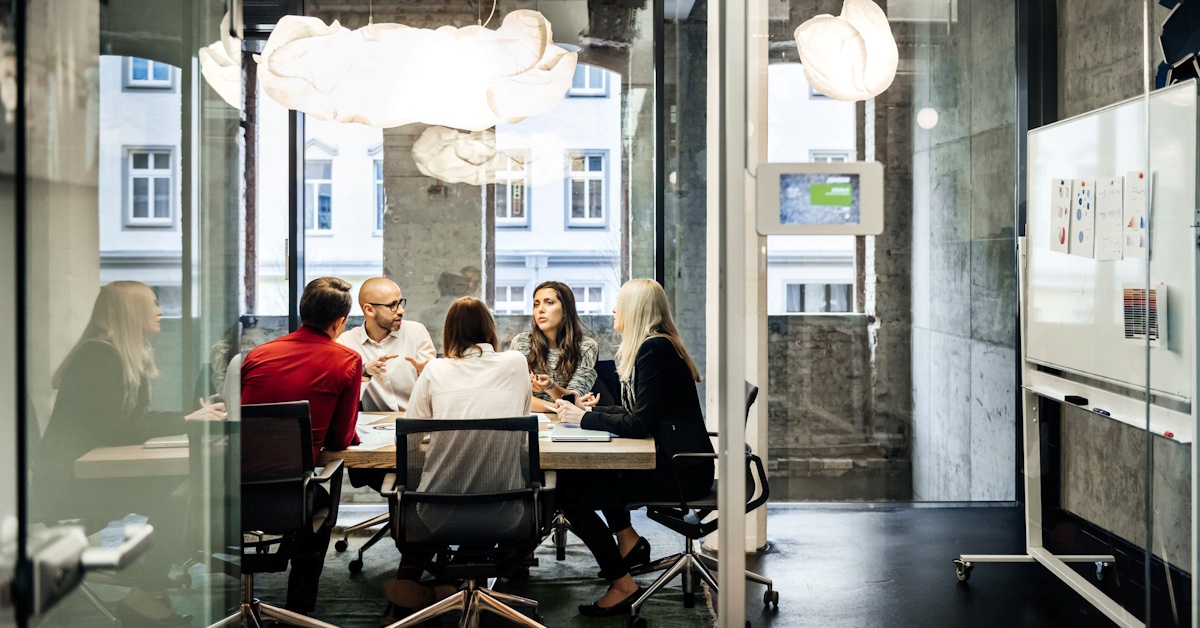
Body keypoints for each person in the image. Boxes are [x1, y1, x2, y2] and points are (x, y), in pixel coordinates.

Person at [31, 280, 225, 626]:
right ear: (130, 312)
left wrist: (190, 418)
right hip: (65, 486)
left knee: (178, 493)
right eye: (152, 304)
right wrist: (187, 420)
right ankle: (141, 597)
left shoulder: (118, 353)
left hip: (86, 475)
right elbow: (114, 430)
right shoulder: (99, 356)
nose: (160, 310)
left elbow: (131, 422)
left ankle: (149, 583)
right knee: (174, 500)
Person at [553, 279, 715, 618]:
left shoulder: (654, 350)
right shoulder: (657, 346)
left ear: (636, 310)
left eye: (619, 303)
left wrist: (584, 420)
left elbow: (638, 424)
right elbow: (637, 413)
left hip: (680, 472)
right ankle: (627, 549)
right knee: (582, 485)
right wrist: (590, 413)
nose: (614, 309)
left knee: (570, 494)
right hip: (677, 463)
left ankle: (622, 583)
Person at [383, 296, 533, 613]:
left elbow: (413, 432)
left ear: (449, 333)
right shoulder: (517, 363)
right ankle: (463, 582)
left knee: (439, 489)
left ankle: (431, 587)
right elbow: (520, 417)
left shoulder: (436, 369)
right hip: (507, 511)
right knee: (488, 484)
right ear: (489, 329)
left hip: (437, 512)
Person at [240, 276, 363, 616]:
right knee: (323, 497)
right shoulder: (346, 360)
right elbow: (339, 440)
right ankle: (298, 613)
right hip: (291, 498)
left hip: (236, 494)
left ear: (302, 311)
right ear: (339, 321)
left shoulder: (257, 355)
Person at [337, 277, 436, 413]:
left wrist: (428, 373)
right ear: (369, 310)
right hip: (372, 427)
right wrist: (364, 371)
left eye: (400, 303)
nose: (401, 311)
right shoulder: (346, 342)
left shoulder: (416, 332)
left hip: (415, 422)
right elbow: (344, 399)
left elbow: (436, 392)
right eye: (392, 305)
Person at [508, 281, 599, 413]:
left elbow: (574, 399)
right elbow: (516, 397)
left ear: (565, 309)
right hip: (532, 421)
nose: (540, 310)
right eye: (536, 304)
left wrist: (551, 387)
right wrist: (560, 406)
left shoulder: (586, 347)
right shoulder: (521, 343)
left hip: (568, 423)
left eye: (549, 302)